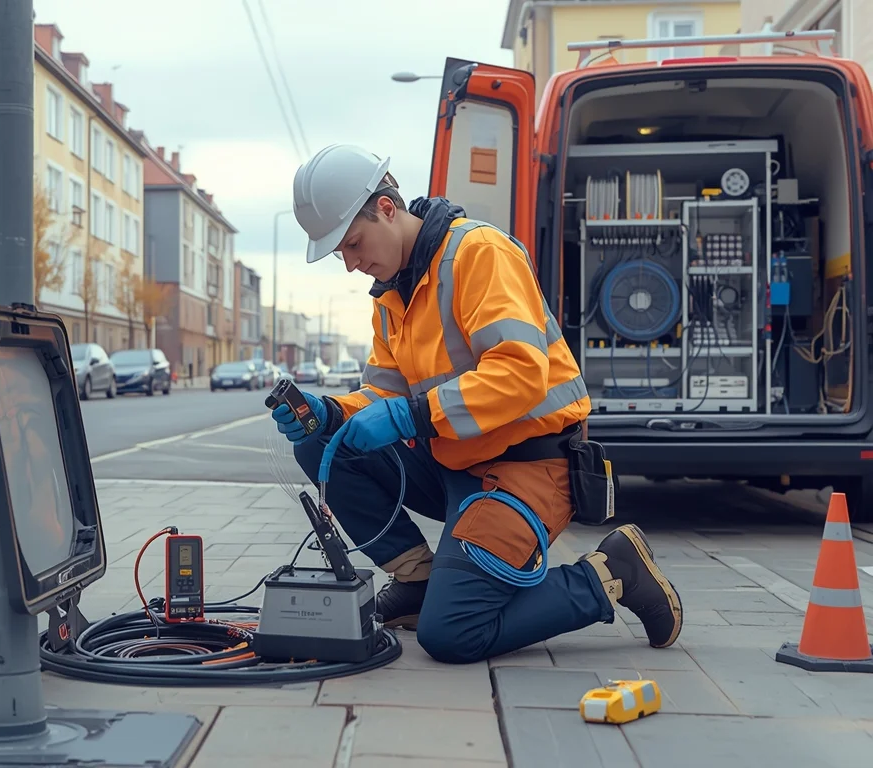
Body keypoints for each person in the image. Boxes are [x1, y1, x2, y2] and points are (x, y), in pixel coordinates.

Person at [270, 144, 683, 664]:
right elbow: (384, 394)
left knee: (453, 633)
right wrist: (330, 412)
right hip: (458, 461)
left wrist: (413, 415)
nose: (352, 265)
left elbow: (521, 373)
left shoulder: (479, 253)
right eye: (340, 255)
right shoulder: (389, 297)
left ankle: (613, 572)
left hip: (528, 467)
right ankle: (419, 581)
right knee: (321, 442)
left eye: (353, 244)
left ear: (388, 208)